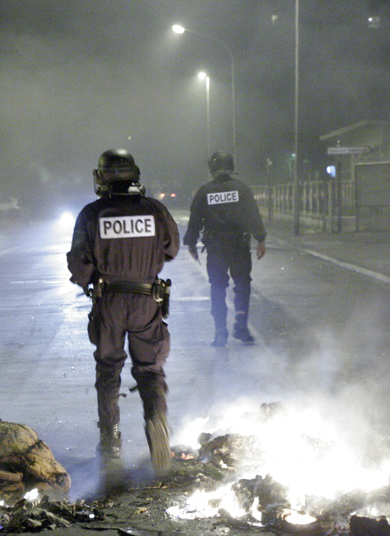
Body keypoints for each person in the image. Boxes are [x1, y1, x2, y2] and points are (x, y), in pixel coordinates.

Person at [66, 149, 180, 487]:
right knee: (149, 369)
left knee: (109, 369)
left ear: (101, 177)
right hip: (147, 301)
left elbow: (78, 263)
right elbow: (171, 249)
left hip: (109, 302)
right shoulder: (155, 210)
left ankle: (110, 444)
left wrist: (90, 278)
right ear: (135, 174)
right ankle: (157, 421)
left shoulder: (91, 214)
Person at [184, 151, 267, 346]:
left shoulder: (204, 192)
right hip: (239, 244)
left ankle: (220, 331)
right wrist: (260, 238)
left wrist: (191, 243)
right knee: (242, 284)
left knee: (218, 287)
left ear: (211, 169)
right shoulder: (242, 189)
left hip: (216, 247)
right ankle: (241, 324)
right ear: (231, 167)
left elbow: (195, 219)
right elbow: (252, 214)